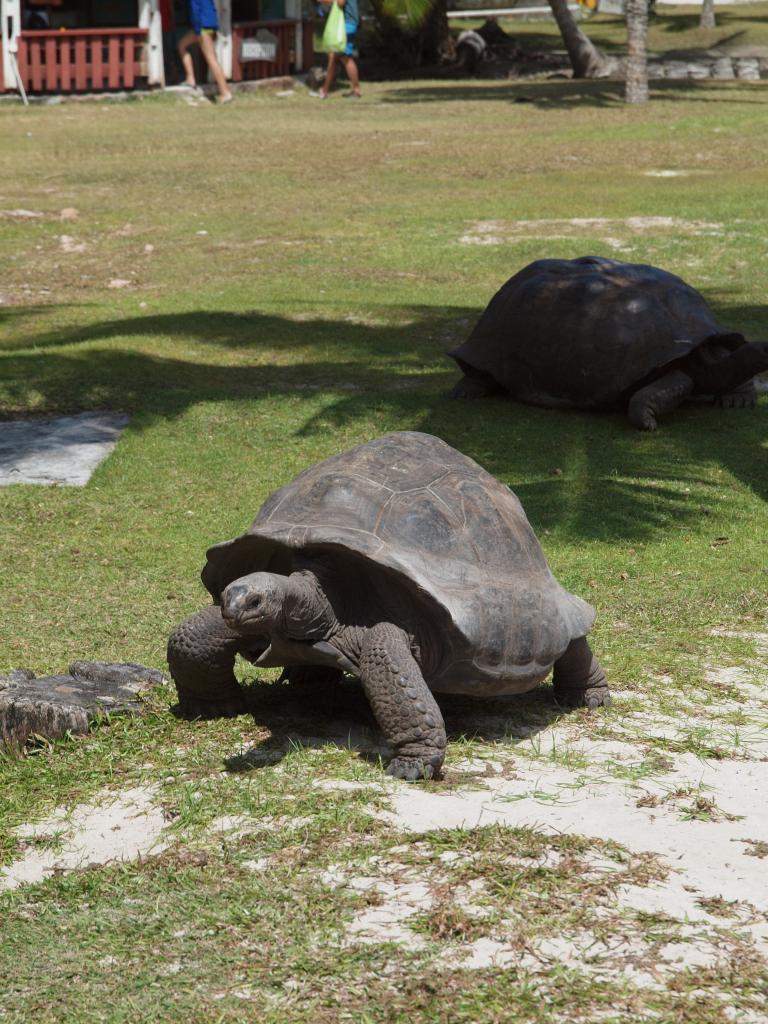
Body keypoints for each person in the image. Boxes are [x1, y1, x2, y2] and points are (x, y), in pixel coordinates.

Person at [178, 0, 233, 103]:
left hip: (202, 27)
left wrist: (198, 30)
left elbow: (195, 11)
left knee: (211, 58)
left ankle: (225, 93)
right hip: (208, 24)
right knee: (182, 45)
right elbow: (212, 8)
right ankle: (190, 78)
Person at [314, 0, 361, 99]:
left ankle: (356, 90)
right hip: (347, 23)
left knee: (345, 57)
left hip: (347, 23)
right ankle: (324, 90)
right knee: (334, 56)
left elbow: (341, 2)